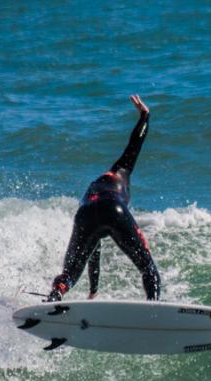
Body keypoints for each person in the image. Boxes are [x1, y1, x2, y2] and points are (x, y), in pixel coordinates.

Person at [47, 95, 161, 302]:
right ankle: (153, 305)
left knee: (69, 275)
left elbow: (93, 254)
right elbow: (135, 144)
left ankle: (56, 294)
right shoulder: (121, 171)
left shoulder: (89, 197)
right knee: (148, 268)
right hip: (114, 210)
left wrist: (93, 291)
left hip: (85, 217)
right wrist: (145, 116)